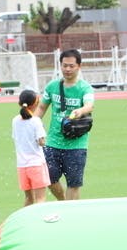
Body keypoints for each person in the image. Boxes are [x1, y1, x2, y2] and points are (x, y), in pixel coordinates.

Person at [33, 48, 94, 201]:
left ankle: (69, 210)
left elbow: (89, 105)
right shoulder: (52, 86)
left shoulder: (84, 88)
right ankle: (63, 202)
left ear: (79, 66)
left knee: (73, 184)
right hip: (52, 142)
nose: (67, 69)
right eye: (64, 65)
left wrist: (80, 111)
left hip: (76, 145)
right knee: (49, 178)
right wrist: (33, 125)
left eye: (71, 66)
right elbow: (41, 107)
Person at [12, 89, 49, 206]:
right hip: (36, 164)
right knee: (40, 199)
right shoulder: (36, 121)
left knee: (29, 198)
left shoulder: (15, 120)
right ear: (35, 104)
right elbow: (41, 142)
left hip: (22, 165)